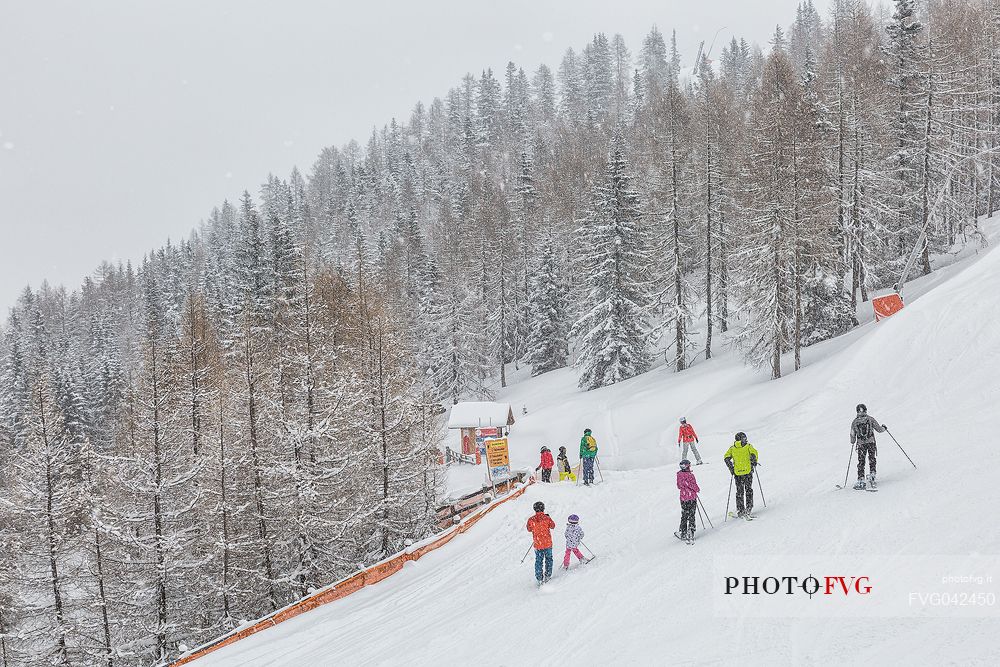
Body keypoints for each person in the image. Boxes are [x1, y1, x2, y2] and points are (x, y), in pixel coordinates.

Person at [851, 403, 887, 490]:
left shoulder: (855, 422)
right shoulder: (870, 419)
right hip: (871, 442)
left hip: (861, 444)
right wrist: (884, 428)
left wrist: (853, 442)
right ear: (866, 410)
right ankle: (872, 475)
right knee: (872, 459)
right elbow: (879, 429)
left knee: (861, 462)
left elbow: (852, 434)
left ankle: (861, 480)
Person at [724, 432, 759, 519]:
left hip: (737, 473)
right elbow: (754, 453)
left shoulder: (732, 448)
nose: (745, 439)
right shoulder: (748, 446)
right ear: (740, 439)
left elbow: (726, 457)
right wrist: (753, 461)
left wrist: (731, 468)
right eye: (744, 438)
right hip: (747, 472)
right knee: (748, 490)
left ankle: (740, 510)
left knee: (739, 492)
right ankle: (748, 508)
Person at [526, 501, 556, 585]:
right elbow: (553, 526)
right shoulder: (547, 518)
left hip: (538, 544)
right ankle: (548, 575)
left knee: (539, 561)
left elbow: (529, 529)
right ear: (543, 508)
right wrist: (548, 518)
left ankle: (539, 578)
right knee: (549, 559)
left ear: (535, 509)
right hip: (547, 544)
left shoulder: (531, 519)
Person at [674, 459, 700, 544]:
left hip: (684, 498)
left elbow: (679, 486)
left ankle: (683, 532)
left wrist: (686, 485)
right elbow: (694, 485)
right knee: (691, 514)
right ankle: (691, 532)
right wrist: (696, 489)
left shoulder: (679, 475)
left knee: (684, 514)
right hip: (691, 497)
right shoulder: (690, 475)